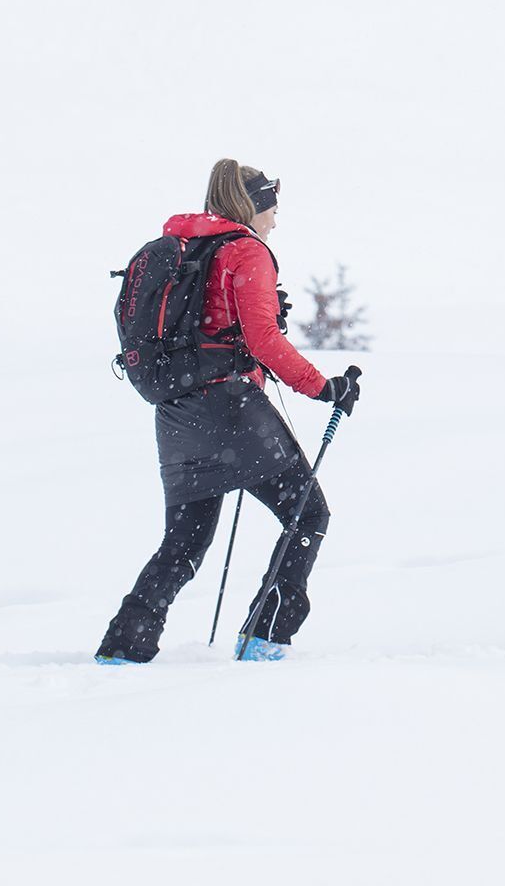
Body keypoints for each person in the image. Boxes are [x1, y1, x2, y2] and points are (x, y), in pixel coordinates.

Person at [96, 160, 363, 664]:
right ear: (253, 206)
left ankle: (123, 648)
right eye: (273, 209)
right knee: (308, 513)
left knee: (183, 544)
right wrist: (324, 388)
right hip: (230, 411)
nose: (276, 220)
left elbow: (215, 329)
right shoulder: (246, 251)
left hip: (176, 413)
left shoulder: (186, 247)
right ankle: (265, 638)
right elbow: (264, 340)